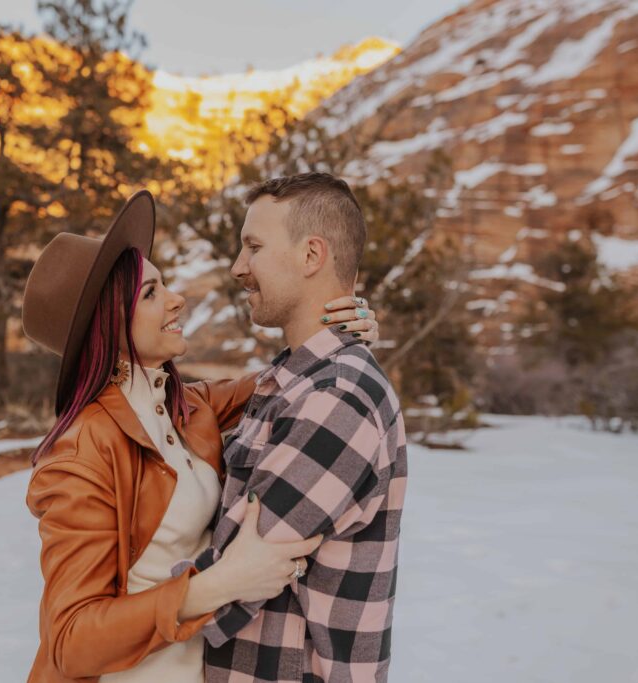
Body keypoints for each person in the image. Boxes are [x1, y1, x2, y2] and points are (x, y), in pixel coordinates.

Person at [21, 189, 379, 682]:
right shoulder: (82, 451)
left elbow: (292, 380)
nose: (177, 298)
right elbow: (71, 641)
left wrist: (345, 329)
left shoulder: (185, 406)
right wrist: (217, 584)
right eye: (151, 293)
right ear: (110, 323)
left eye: (164, 282)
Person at [187, 172, 408, 683]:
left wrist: (95, 618)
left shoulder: (336, 399)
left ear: (312, 256)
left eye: (254, 247)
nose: (239, 267)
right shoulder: (289, 382)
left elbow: (232, 583)